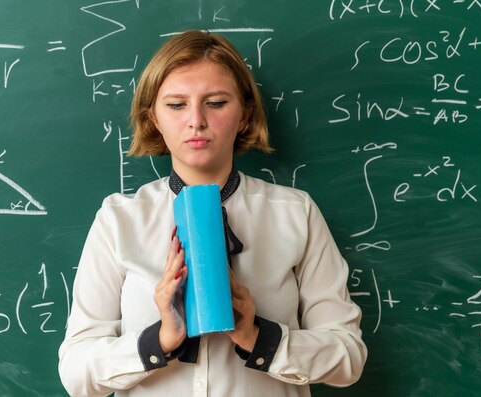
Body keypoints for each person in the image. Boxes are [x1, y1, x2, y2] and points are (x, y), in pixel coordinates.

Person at [58, 30, 367, 397]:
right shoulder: (119, 219)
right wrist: (157, 342)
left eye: (216, 103)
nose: (196, 121)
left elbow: (348, 357)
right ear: (153, 118)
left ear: (244, 114)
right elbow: (76, 373)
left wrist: (260, 339)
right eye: (176, 105)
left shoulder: (295, 213)